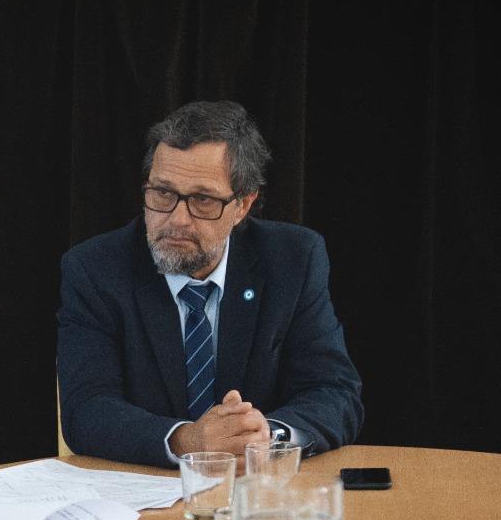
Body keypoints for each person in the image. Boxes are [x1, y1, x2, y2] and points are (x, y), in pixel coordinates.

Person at [57, 100, 363, 469]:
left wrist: (264, 436)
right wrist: (188, 441)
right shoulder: (95, 269)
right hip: (144, 488)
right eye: (163, 193)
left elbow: (333, 392)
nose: (177, 219)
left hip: (255, 487)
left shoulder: (293, 260)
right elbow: (86, 408)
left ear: (242, 206)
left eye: (202, 199)